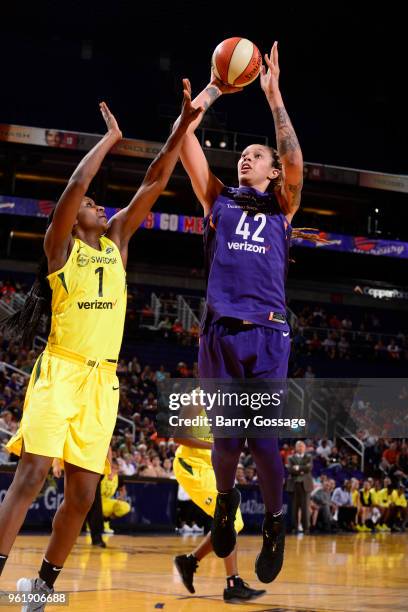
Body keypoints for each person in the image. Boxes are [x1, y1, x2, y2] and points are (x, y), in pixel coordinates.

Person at [0, 80, 202, 605]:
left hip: (102, 382)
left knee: (84, 493)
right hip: (61, 371)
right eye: (89, 203)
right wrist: (110, 139)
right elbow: (73, 186)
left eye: (96, 202)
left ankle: (42, 588)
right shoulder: (60, 248)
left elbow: (156, 179)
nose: (94, 203)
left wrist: (184, 124)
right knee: (32, 474)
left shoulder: (116, 245)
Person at [176, 41, 303, 583]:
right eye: (243, 154)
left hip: (268, 334)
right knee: (226, 444)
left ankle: (275, 521)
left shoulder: (282, 204)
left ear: (273, 173)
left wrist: (273, 98)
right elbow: (183, 142)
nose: (246, 157)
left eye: (257, 155)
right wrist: (212, 90)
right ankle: (226, 504)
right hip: (220, 331)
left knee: (266, 444)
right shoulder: (218, 199)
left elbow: (295, 159)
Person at [171, 398, 265, 603]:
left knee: (234, 522)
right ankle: (233, 584)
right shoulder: (197, 397)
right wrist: (214, 444)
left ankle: (190, 561)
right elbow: (178, 436)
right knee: (228, 518)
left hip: (212, 467)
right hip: (192, 465)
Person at [286, 441, 314, 533]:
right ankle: (294, 527)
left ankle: (306, 528)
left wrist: (298, 468)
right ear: (295, 448)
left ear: (305, 448)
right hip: (294, 485)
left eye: (302, 446)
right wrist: (302, 469)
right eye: (299, 446)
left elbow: (309, 468)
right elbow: (290, 469)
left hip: (305, 485)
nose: (301, 448)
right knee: (294, 508)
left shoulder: (309, 457)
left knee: (305, 508)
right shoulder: (290, 457)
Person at [100, 458, 131, 533]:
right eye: (112, 468)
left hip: (107, 501)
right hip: (96, 501)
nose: (114, 471)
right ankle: (92, 525)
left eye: (116, 469)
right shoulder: (102, 474)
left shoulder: (118, 478)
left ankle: (106, 520)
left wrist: (121, 497)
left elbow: (123, 489)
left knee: (125, 507)